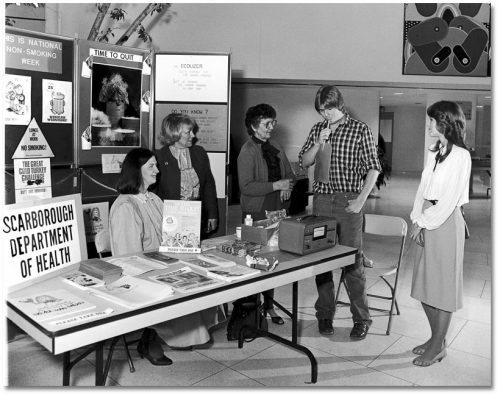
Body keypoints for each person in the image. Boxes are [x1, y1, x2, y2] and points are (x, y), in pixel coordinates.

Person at [109, 148, 222, 366]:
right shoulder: (125, 205)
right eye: (151, 166)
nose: (158, 170)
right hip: (141, 272)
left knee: (203, 279)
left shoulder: (153, 199)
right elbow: (129, 258)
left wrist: (186, 243)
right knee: (182, 286)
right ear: (136, 171)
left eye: (157, 165)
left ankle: (176, 334)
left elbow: (171, 236)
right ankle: (151, 339)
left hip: (162, 263)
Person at [298, 85, 381, 339]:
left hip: (348, 201)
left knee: (352, 263)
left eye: (330, 109)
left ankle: (361, 319)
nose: (326, 114)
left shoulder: (360, 129)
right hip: (322, 201)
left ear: (340, 105)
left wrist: (360, 200)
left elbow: (373, 168)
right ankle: (324, 314)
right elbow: (305, 161)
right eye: (322, 110)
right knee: (321, 260)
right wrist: (318, 142)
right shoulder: (317, 129)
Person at [409, 101, 471, 367]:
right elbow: (422, 189)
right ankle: (437, 338)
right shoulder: (435, 150)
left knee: (442, 289)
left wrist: (424, 221)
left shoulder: (460, 156)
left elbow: (448, 201)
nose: (428, 124)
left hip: (444, 223)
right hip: (426, 217)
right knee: (423, 287)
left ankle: (436, 346)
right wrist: (415, 218)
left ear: (444, 122)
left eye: (431, 120)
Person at [237, 103, 296, 325]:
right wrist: (276, 185)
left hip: (277, 211)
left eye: (273, 122)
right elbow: (246, 187)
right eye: (267, 123)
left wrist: (287, 186)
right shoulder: (247, 151)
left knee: (272, 260)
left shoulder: (276, 146)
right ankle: (251, 308)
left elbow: (290, 175)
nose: (272, 127)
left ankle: (270, 306)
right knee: (254, 262)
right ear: (254, 126)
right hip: (256, 211)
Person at [155, 113, 218, 237]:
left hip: (197, 218)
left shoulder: (199, 153)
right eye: (188, 132)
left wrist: (212, 214)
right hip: (170, 221)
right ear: (174, 133)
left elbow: (208, 185)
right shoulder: (159, 158)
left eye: (192, 131)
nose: (193, 135)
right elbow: (154, 193)